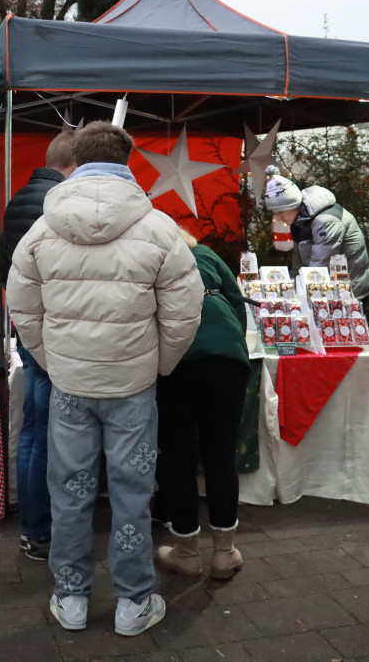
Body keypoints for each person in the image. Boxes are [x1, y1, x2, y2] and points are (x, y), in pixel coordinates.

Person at [6, 121, 203, 636]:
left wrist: (52, 360)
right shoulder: (159, 227)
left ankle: (70, 597)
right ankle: (133, 603)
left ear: (75, 158)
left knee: (69, 489)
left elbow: (21, 306)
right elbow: (185, 311)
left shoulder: (41, 230)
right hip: (133, 387)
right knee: (131, 492)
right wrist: (156, 364)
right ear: (127, 159)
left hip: (70, 384)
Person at [0, 131, 77, 562]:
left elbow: (5, 271)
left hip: (27, 325)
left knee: (33, 429)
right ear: (75, 166)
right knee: (46, 431)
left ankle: (34, 527)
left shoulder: (20, 198)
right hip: (49, 330)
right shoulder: (56, 204)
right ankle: (41, 530)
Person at [153, 228, 250, 580]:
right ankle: (225, 553)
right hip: (227, 357)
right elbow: (237, 305)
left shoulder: (153, 258)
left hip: (175, 362)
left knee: (178, 457)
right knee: (221, 455)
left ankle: (186, 552)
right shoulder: (207, 255)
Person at [262, 165, 369, 300]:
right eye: (275, 213)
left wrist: (295, 296)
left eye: (280, 212)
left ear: (292, 205)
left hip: (348, 291)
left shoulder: (325, 221)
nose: (277, 218)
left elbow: (320, 267)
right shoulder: (299, 220)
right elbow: (299, 267)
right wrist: (289, 290)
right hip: (327, 288)